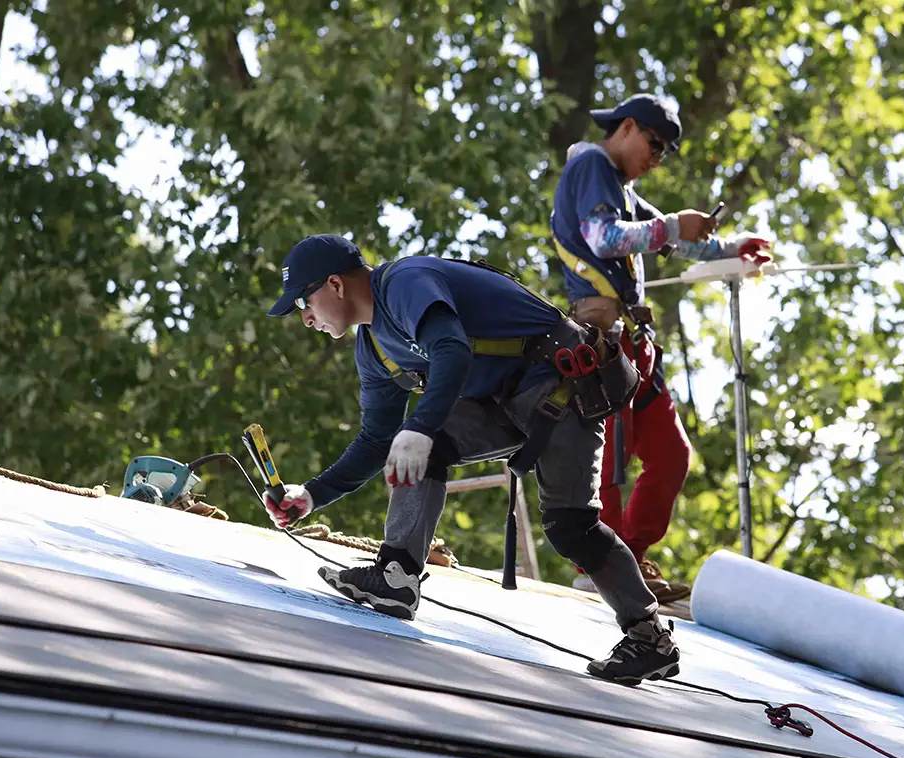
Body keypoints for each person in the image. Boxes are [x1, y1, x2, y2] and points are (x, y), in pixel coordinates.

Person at [262, 233, 680, 685]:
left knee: (571, 527)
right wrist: (311, 494)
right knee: (422, 446)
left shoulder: (405, 283)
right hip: (504, 400)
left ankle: (649, 638)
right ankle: (397, 575)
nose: (305, 318)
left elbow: (451, 350)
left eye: (305, 301)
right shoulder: (373, 349)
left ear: (335, 285)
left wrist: (418, 427)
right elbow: (374, 440)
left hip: (563, 384)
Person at [550, 93, 773, 604]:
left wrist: (732, 249)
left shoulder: (619, 187)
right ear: (627, 128)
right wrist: (672, 225)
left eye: (666, 152)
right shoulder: (591, 164)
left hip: (631, 344)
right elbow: (604, 238)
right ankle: (596, 566)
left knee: (670, 456)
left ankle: (625, 558)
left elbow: (672, 240)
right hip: (600, 338)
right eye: (655, 144)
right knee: (605, 462)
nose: (657, 158)